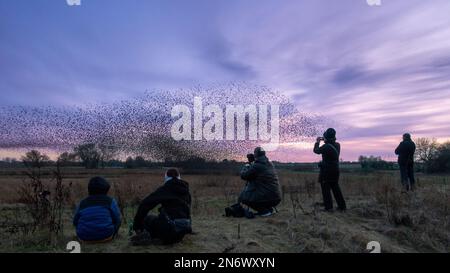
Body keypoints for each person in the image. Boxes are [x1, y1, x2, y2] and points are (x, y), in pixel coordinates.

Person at [131, 168, 192, 245]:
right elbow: (188, 211)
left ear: (166, 177)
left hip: (168, 231)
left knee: (148, 219)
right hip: (183, 231)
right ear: (179, 177)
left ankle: (147, 236)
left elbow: (145, 204)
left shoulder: (165, 189)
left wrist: (136, 225)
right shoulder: (186, 192)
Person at [73, 177, 121, 242]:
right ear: (106, 189)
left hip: (83, 237)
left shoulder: (82, 203)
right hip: (106, 236)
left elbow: (75, 221)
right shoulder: (111, 201)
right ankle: (112, 235)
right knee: (118, 219)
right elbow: (117, 219)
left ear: (89, 189)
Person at [238, 147, 281, 217]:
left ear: (256, 155)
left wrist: (247, 165)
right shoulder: (270, 164)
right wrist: (253, 163)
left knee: (243, 197)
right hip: (277, 198)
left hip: (267, 197)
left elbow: (244, 176)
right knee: (261, 192)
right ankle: (269, 209)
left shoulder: (257, 166)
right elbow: (259, 171)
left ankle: (264, 211)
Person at [313, 128, 346, 212]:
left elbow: (316, 151)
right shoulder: (338, 145)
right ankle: (342, 207)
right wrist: (326, 140)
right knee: (336, 188)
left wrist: (317, 141)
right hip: (335, 170)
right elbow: (331, 145)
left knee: (325, 189)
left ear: (326, 136)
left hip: (326, 171)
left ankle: (329, 208)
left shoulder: (326, 146)